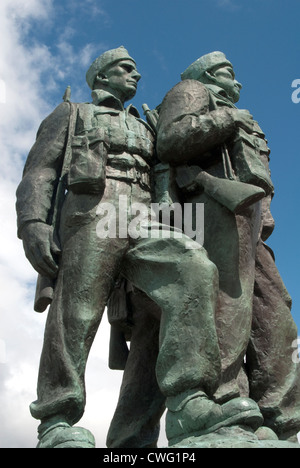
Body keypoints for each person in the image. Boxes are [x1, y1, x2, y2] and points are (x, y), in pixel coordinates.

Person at [16, 47, 264, 448]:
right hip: (92, 210)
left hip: (144, 215)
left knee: (192, 268)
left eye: (134, 69)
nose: (135, 74)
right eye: (124, 69)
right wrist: (32, 223)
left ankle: (188, 399)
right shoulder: (72, 114)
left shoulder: (146, 125)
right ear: (100, 76)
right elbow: (41, 170)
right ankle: (57, 419)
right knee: (77, 312)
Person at [156, 51, 300, 442]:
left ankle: (283, 419)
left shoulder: (239, 113)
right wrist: (227, 118)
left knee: (274, 310)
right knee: (228, 300)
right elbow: (171, 141)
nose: (236, 84)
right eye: (226, 74)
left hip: (248, 214)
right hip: (213, 206)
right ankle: (220, 401)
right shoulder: (192, 91)